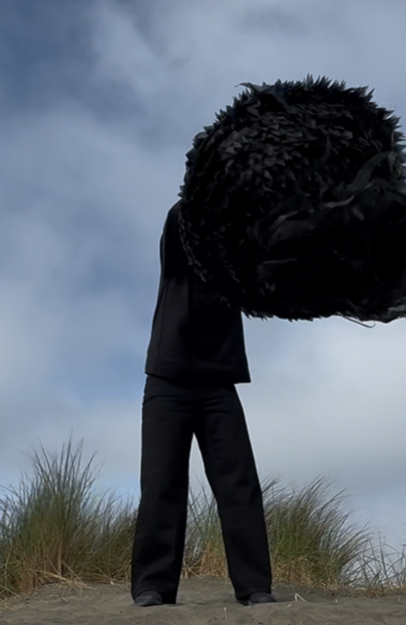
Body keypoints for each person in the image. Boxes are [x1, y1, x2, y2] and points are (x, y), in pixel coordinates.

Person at [131, 202, 274, 607]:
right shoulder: (182, 236)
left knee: (239, 484)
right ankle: (152, 587)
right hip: (167, 380)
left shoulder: (241, 258)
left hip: (219, 386)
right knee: (162, 484)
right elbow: (185, 218)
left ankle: (254, 587)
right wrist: (219, 187)